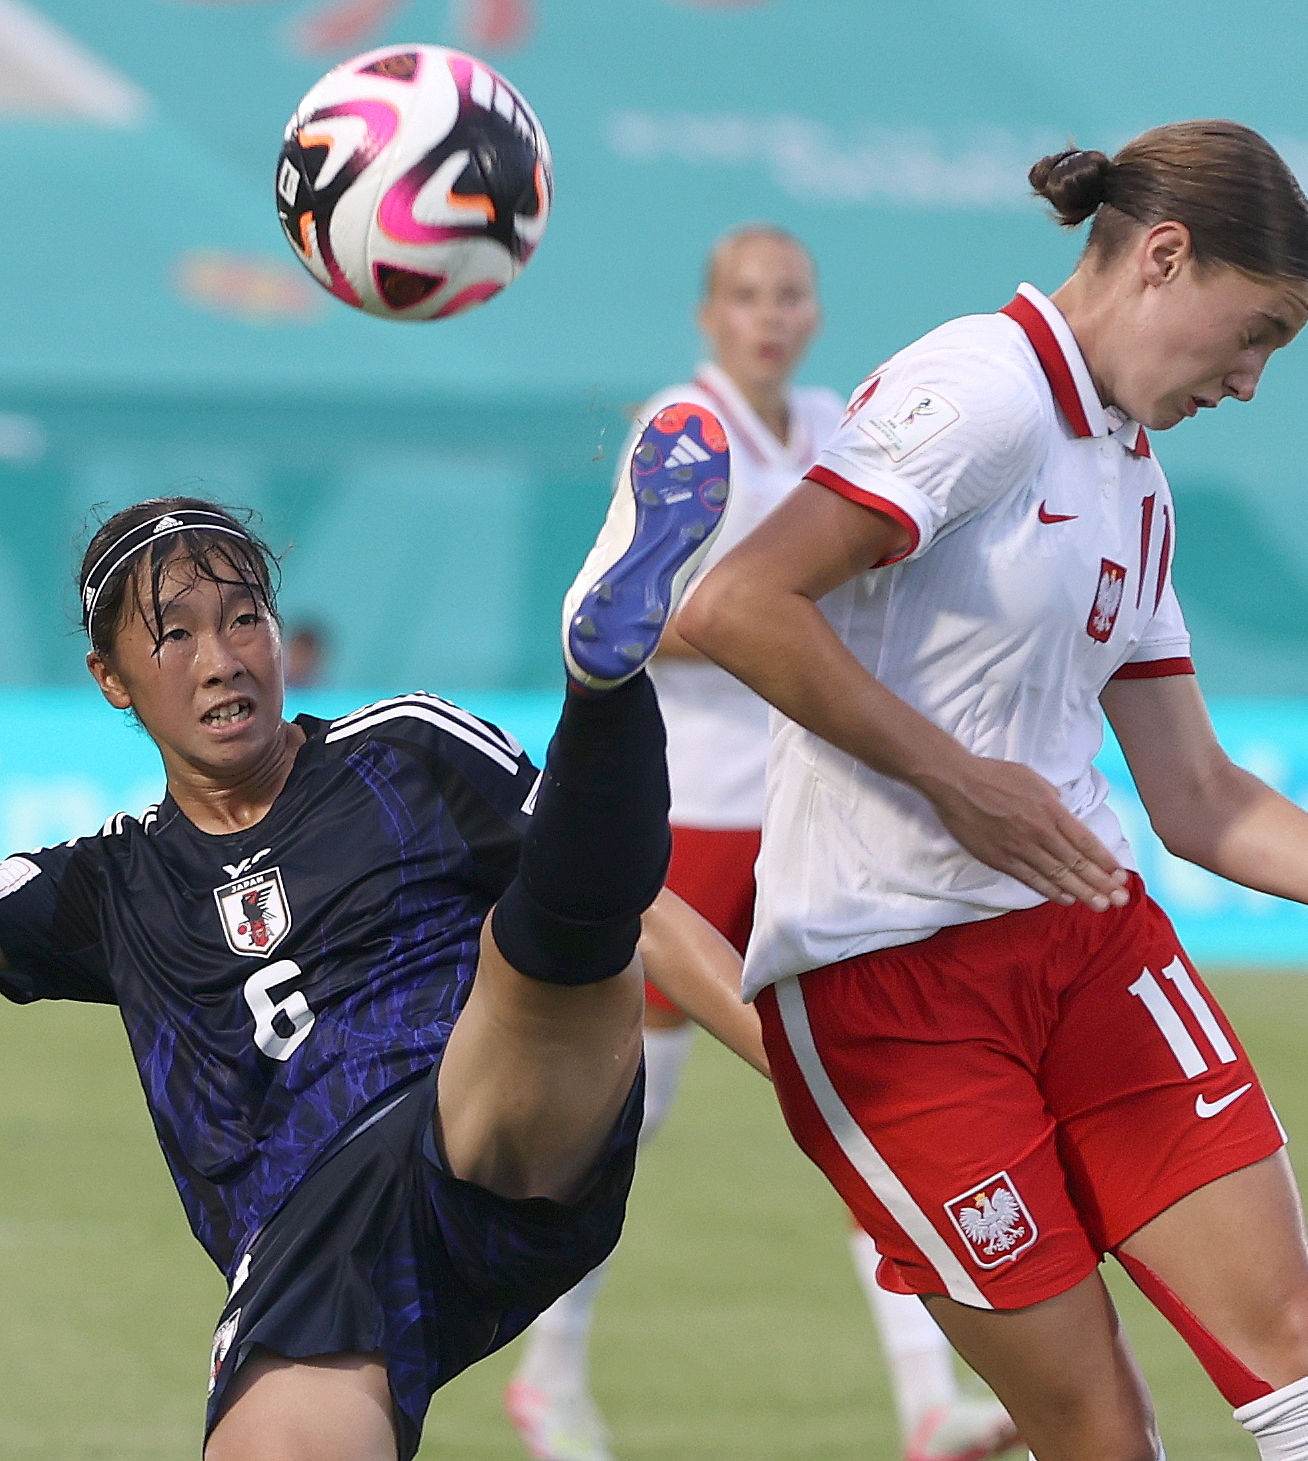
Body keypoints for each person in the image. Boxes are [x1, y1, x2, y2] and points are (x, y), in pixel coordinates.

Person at [676, 122, 1308, 1461]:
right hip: (885, 995)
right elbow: (736, 599)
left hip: (1089, 948)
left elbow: (1193, 790)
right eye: (1254, 331)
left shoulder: (1132, 479)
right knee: (1096, 1429)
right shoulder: (975, 389)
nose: (1253, 379)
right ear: (1163, 256)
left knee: (1302, 1360)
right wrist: (956, 780)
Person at [0, 407, 759, 1461]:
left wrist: (802, 1063)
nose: (221, 658)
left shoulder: (404, 751)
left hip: (486, 1119)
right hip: (312, 1255)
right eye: (171, 636)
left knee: (557, 950)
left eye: (243, 620)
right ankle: (604, 684)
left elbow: (645, 914)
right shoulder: (108, 881)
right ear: (111, 680)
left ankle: (603, 681)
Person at [508, 225, 1022, 1461]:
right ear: (708, 312)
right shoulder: (679, 428)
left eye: (789, 295)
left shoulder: (838, 422)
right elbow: (603, 615)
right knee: (625, 1117)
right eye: (747, 296)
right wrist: (758, 618)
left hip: (807, 815)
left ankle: (930, 1399)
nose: (770, 315)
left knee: (863, 1095)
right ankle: (549, 1374)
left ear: (813, 312)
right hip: (680, 820)